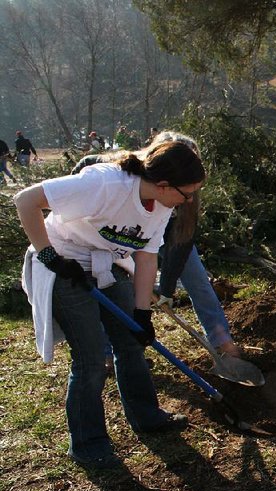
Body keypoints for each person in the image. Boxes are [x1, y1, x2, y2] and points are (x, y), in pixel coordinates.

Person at [15, 140, 205, 469]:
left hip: (107, 264)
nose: (188, 201)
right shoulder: (105, 184)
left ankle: (147, 416)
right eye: (186, 193)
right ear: (163, 185)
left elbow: (146, 259)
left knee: (132, 343)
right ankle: (88, 443)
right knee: (90, 359)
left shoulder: (161, 206)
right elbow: (26, 200)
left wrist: (142, 314)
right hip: (64, 265)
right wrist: (50, 256)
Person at [71, 132, 245, 364]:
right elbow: (80, 175)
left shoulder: (187, 191)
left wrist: (166, 289)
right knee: (112, 286)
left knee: (199, 281)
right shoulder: (119, 172)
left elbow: (182, 242)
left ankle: (221, 341)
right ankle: (111, 351)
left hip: (164, 231)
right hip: (121, 230)